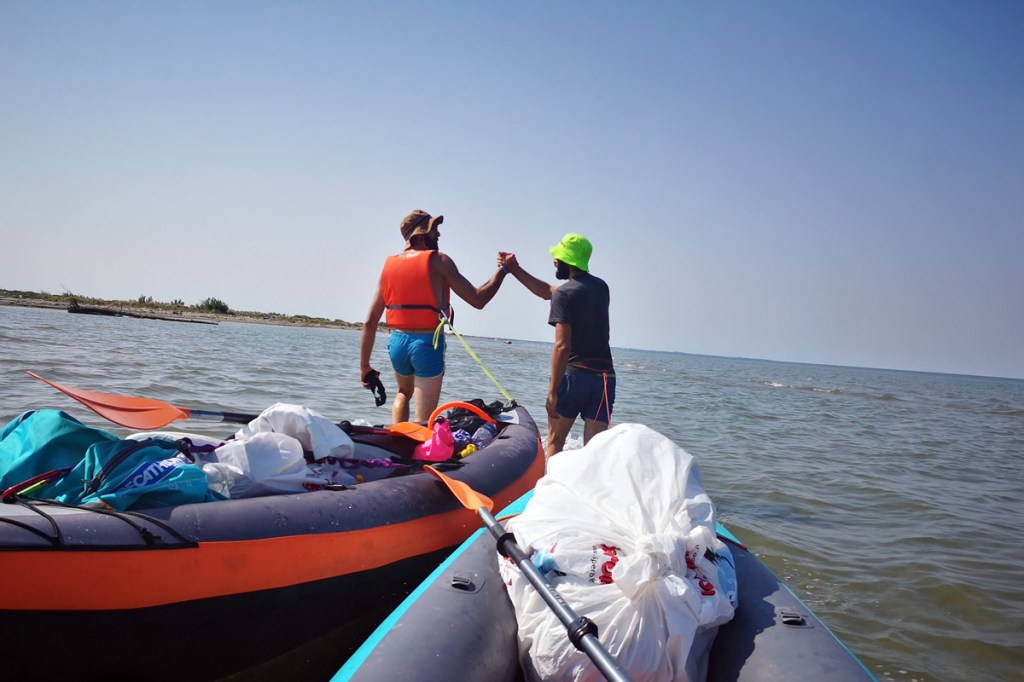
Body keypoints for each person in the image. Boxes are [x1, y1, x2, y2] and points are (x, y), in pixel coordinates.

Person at [361, 210, 508, 424]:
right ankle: (418, 454)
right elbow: (478, 299)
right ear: (420, 234)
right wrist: (503, 271)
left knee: (403, 393)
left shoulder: (388, 266)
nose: (438, 234)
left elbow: (369, 321)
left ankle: (397, 443)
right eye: (434, 229)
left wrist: (364, 366)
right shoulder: (440, 261)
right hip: (426, 344)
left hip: (397, 343)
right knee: (424, 420)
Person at [498, 233, 614, 457]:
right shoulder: (602, 288)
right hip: (604, 380)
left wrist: (552, 393)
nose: (554, 261)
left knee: (555, 444)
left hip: (573, 378)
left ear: (566, 261)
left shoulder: (564, 294)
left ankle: (549, 489)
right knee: (595, 453)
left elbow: (562, 346)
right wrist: (515, 269)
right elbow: (549, 292)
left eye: (557, 257)